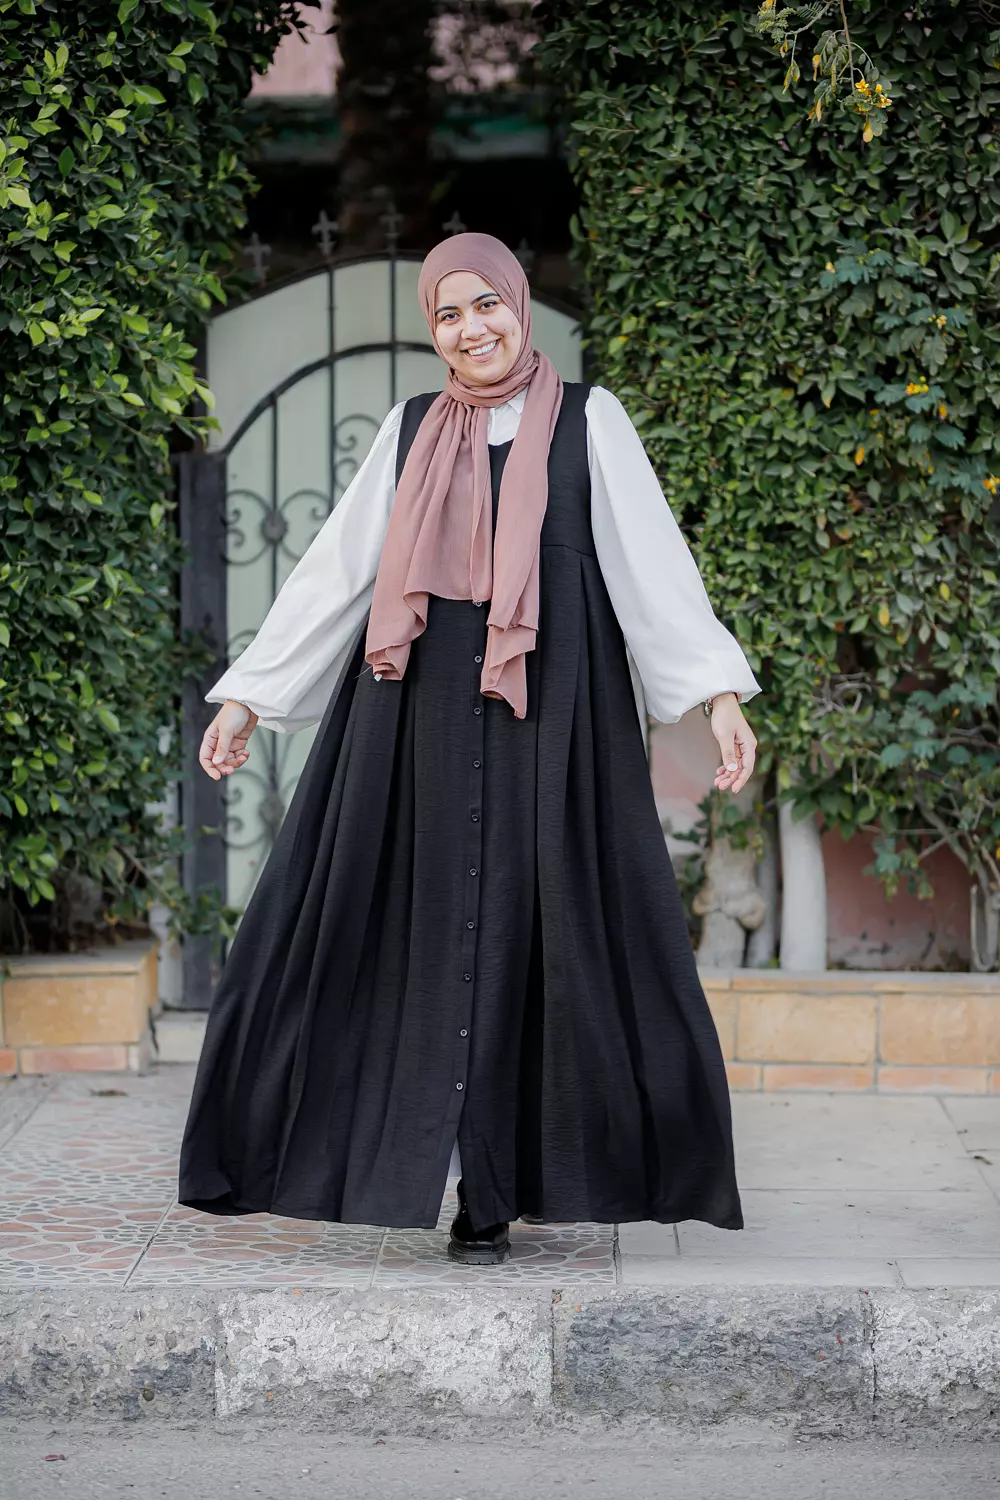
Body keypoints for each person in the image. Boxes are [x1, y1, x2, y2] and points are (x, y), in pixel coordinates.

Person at [178, 233, 760, 1267]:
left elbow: (651, 567)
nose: (470, 329)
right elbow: (334, 574)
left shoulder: (591, 421)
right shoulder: (411, 431)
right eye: (446, 314)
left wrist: (715, 694)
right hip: (415, 722)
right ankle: (385, 1161)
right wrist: (248, 700)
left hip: (556, 721)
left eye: (484, 305)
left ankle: (495, 1187)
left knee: (541, 941)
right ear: (431, 329)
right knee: (414, 930)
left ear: (518, 306)